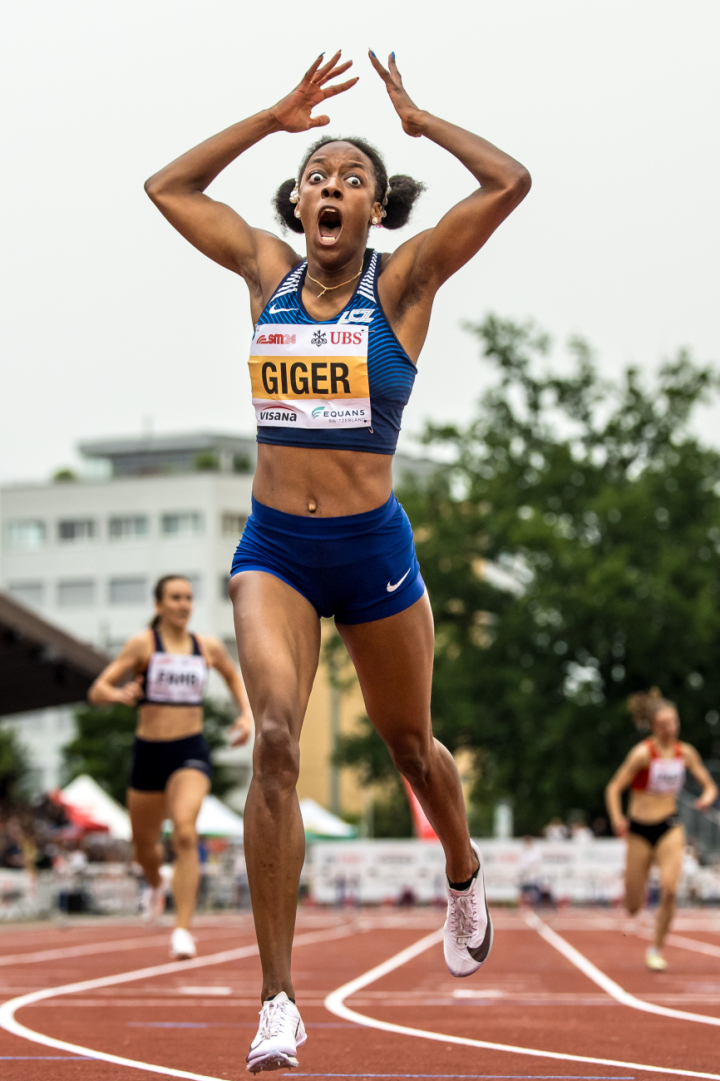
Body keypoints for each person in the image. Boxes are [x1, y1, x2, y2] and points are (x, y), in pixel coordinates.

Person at [144, 49, 530, 1072]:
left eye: (352, 179)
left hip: (373, 552)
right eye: (317, 175)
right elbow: (166, 187)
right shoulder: (266, 270)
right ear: (298, 200)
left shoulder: (404, 284)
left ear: (375, 211)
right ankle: (277, 1000)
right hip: (276, 548)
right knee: (274, 738)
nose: (330, 188)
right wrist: (270, 118)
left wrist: (419, 121)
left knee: (412, 745)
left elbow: (511, 184)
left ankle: (461, 868)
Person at [88, 574, 252, 959]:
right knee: (145, 848)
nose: (183, 604)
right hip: (149, 753)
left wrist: (246, 715)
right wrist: (119, 693)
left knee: (184, 832)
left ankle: (182, 930)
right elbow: (97, 689)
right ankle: (155, 882)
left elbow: (232, 674)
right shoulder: (143, 644)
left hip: (189, 752)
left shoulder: (206, 646)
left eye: (188, 598)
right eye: (175, 598)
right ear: (159, 605)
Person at [605, 687, 717, 971]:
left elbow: (709, 784)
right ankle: (636, 897)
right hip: (640, 829)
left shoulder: (685, 753)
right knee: (632, 905)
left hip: (669, 825)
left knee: (669, 890)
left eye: (675, 722)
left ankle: (656, 949)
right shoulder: (642, 754)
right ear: (654, 725)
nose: (672, 728)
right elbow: (614, 788)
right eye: (666, 724)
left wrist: (706, 797)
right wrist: (618, 818)